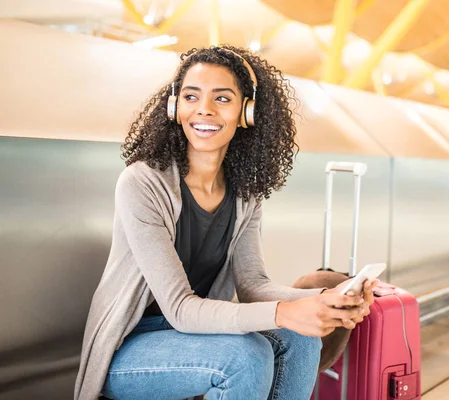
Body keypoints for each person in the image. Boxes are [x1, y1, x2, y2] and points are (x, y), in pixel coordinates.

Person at [74, 45, 377, 400]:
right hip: (131, 350)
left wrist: (325, 299)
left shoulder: (245, 192)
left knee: (301, 337)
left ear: (245, 112)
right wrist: (285, 312)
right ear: (175, 106)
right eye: (191, 96)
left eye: (222, 98)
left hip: (197, 338)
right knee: (244, 356)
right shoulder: (143, 182)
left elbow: (253, 286)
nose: (204, 109)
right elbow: (181, 309)